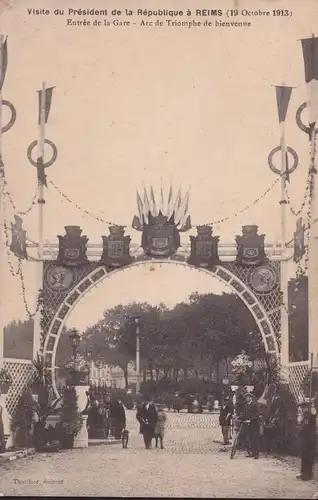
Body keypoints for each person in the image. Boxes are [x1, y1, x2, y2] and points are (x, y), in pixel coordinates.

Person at [297, 403, 317, 481]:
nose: (302, 409)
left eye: (302, 408)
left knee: (308, 457)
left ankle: (307, 475)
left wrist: (300, 432)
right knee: (305, 456)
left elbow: (305, 427)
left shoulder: (307, 415)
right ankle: (304, 473)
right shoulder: (308, 414)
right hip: (308, 438)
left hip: (309, 439)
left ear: (305, 408)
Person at [244, 393, 260, 459]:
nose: (247, 398)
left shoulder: (255, 404)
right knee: (250, 439)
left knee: (255, 439)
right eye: (246, 397)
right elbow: (245, 414)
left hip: (254, 424)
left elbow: (257, 414)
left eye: (249, 397)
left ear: (251, 398)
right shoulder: (246, 405)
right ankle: (253, 453)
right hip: (248, 425)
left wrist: (251, 420)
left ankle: (256, 454)